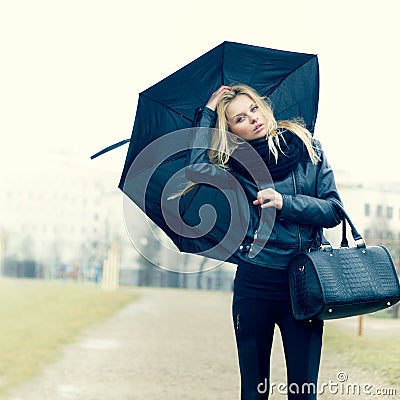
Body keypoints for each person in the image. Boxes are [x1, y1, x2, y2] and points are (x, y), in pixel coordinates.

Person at [184, 84, 343, 399]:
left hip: (304, 284)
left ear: (264, 107)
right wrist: (207, 112)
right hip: (255, 283)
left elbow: (333, 210)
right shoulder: (233, 168)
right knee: (254, 391)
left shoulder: (309, 148)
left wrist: (285, 202)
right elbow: (195, 169)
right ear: (231, 131)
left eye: (254, 108)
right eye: (240, 118)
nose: (253, 119)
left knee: (303, 390)